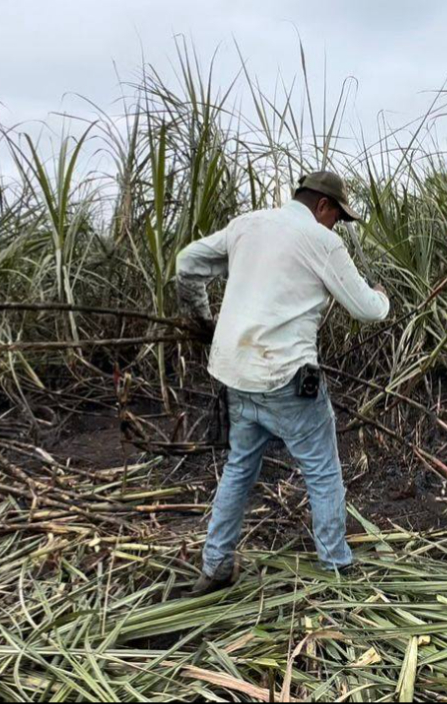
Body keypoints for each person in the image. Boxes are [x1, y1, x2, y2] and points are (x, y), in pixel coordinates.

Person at [174, 170, 389, 596]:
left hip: (237, 374)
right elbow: (366, 309)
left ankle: (216, 566)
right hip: (287, 378)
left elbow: (187, 263)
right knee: (323, 471)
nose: (336, 225)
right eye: (337, 216)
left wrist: (201, 320)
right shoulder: (321, 240)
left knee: (239, 468)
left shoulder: (247, 225)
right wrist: (381, 296)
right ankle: (336, 568)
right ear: (323, 206)